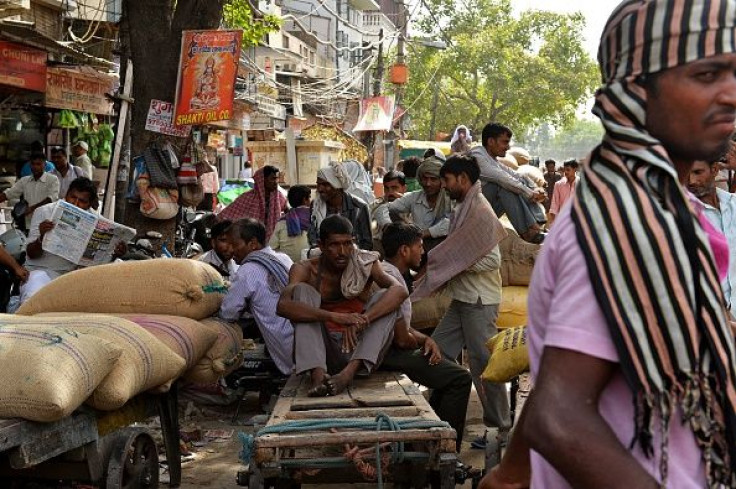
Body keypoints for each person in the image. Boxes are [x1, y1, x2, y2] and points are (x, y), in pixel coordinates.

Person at [481, 2, 736, 488]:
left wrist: (511, 473)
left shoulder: (658, 205)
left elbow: (569, 368)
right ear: (636, 92)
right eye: (706, 75)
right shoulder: (626, 217)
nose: (729, 94)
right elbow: (559, 416)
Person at [411, 154, 509, 450]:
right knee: (435, 350)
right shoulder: (463, 208)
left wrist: (455, 261)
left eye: (447, 180)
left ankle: (500, 429)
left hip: (480, 301)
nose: (444, 185)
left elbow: (491, 258)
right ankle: (438, 417)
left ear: (462, 180)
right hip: (464, 299)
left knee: (485, 366)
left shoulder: (480, 210)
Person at [277, 215, 407, 396]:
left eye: (348, 244)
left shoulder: (366, 262)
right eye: (334, 245)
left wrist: (363, 320)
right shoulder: (305, 269)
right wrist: (333, 316)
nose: (343, 251)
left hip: (360, 349)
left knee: (387, 296)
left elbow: (400, 291)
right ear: (321, 246)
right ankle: (318, 375)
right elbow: (283, 306)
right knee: (301, 291)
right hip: (325, 350)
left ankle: (347, 375)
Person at [380, 222, 472, 452]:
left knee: (446, 370)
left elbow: (402, 325)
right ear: (404, 250)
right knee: (460, 378)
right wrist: (417, 344)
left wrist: (425, 340)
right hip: (388, 353)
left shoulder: (390, 273)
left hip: (391, 347)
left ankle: (431, 437)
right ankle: (446, 450)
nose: (423, 252)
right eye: (419, 246)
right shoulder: (390, 279)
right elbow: (401, 339)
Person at [20, 177, 123, 303]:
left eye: (82, 201)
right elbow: (31, 254)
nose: (75, 204)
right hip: (42, 271)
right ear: (66, 194)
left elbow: (100, 260)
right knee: (33, 296)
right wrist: (42, 237)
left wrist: (116, 251)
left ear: (90, 204)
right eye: (73, 197)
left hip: (72, 275)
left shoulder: (96, 219)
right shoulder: (44, 212)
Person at [219, 219, 294, 376]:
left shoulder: (247, 271)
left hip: (287, 350)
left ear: (252, 243)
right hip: (300, 336)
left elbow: (228, 314)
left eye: (234, 244)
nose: (230, 250)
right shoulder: (283, 259)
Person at [470, 123, 547, 243]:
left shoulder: (493, 160)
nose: (508, 147)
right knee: (506, 186)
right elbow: (503, 179)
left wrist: (536, 189)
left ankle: (536, 224)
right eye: (505, 142)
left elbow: (518, 176)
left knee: (517, 182)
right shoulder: (477, 156)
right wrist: (531, 194)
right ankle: (528, 233)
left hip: (485, 210)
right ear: (490, 141)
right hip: (470, 214)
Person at [689, 159, 736, 320]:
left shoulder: (734, 204)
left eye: (697, 172)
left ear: (715, 169)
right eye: (686, 173)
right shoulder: (682, 216)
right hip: (713, 320)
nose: (691, 181)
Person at [308, 164, 373, 251]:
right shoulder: (316, 206)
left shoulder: (359, 206)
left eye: (325, 184)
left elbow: (367, 243)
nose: (320, 189)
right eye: (318, 184)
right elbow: (313, 238)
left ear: (337, 185)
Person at [217, 166, 287, 241]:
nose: (276, 182)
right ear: (262, 180)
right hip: (250, 241)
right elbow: (225, 215)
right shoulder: (247, 197)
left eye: (276, 179)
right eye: (272, 179)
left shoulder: (279, 197)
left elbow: (289, 212)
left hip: (273, 241)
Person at [0, 153, 60, 228]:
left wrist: (31, 209)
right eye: (33, 164)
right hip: (30, 225)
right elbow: (9, 193)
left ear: (44, 165)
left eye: (38, 164)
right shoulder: (24, 180)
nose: (35, 167)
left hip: (47, 224)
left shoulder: (53, 179)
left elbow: (51, 198)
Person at [269, 185, 312, 263]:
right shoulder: (315, 218)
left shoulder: (282, 222)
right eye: (309, 197)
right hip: (310, 265)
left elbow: (272, 247)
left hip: (287, 266)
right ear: (304, 200)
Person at [370, 170, 407, 252]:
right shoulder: (375, 206)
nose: (390, 192)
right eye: (386, 188)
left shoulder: (411, 205)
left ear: (404, 188)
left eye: (394, 188)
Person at [548, 158, 579, 226]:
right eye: (564, 169)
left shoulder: (582, 184)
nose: (566, 172)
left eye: (568, 170)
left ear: (575, 169)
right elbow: (554, 204)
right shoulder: (558, 184)